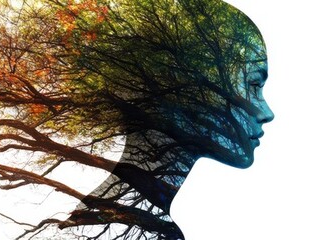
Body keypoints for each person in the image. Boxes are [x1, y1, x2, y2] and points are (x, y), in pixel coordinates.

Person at [62, 0, 274, 238]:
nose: (267, 114)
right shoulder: (135, 228)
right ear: (183, 88)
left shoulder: (97, 219)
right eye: (254, 86)